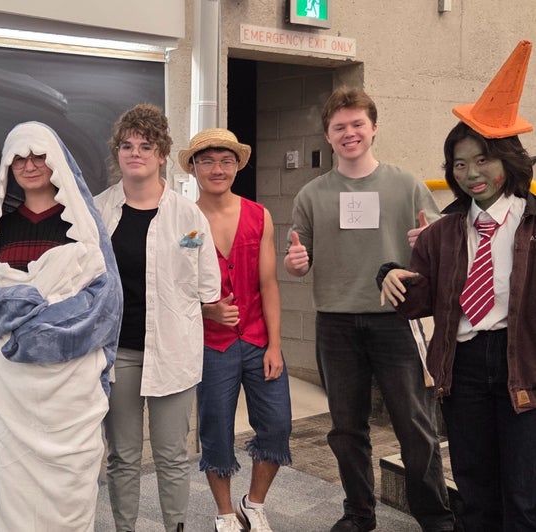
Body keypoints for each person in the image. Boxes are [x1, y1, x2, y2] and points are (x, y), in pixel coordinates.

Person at [379, 40, 536, 531]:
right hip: (462, 368)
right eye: (460, 165)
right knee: (473, 486)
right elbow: (418, 301)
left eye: (482, 160)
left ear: (508, 160)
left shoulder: (532, 223)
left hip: (523, 367)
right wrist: (389, 275)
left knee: (524, 491)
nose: (471, 175)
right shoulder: (443, 232)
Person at [284, 87, 455, 532]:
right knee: (346, 429)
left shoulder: (406, 184)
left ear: (373, 128)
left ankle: (435, 517)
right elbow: (299, 258)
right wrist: (296, 264)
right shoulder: (311, 194)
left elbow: (441, 250)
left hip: (397, 320)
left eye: (357, 124)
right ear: (327, 134)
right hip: (335, 324)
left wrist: (427, 246)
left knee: (415, 427)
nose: (349, 133)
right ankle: (359, 514)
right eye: (339, 127)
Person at [0, 121, 122, 531]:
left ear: (56, 163)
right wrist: (28, 302)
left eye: (39, 156)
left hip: (68, 389)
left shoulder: (81, 229)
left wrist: (37, 326)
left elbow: (102, 305)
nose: (30, 165)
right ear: (9, 168)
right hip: (10, 386)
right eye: (20, 158)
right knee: (13, 485)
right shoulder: (0, 229)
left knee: (68, 491)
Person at [94, 104, 221, 532]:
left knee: (171, 456)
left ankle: (176, 528)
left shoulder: (188, 216)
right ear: (117, 153)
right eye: (127, 146)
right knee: (123, 456)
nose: (136, 154)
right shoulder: (97, 212)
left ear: (162, 152)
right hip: (119, 354)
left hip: (174, 352)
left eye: (146, 146)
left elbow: (209, 287)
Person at [179, 128, 292, 532]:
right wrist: (207, 311)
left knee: (277, 425)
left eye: (226, 161)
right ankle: (225, 511)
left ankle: (253, 502)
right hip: (211, 345)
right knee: (216, 430)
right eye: (206, 160)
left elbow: (269, 284)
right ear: (193, 168)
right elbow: (175, 287)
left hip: (260, 338)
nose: (217, 168)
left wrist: (275, 345)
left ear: (237, 166)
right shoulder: (183, 218)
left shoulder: (258, 214)